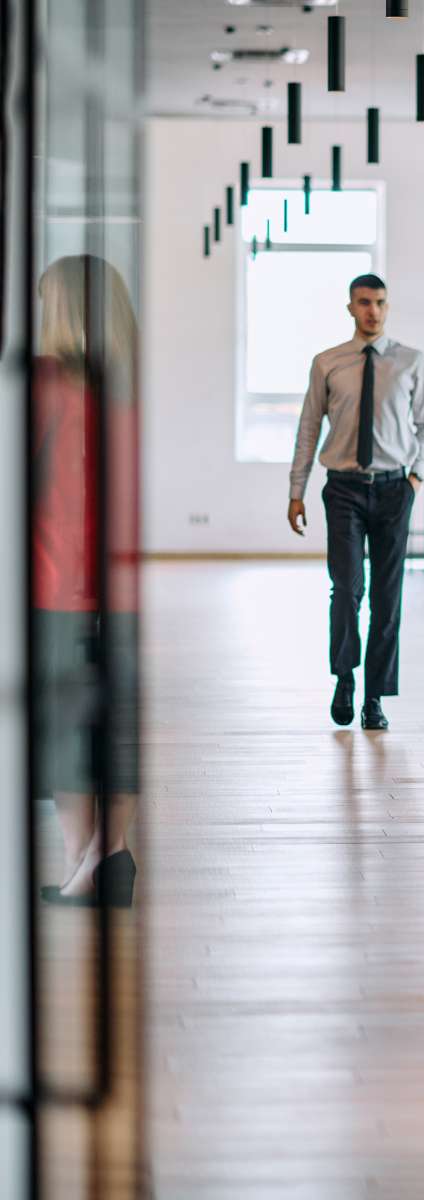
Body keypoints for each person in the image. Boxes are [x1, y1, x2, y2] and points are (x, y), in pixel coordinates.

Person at [34, 255, 142, 906]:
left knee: (62, 724)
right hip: (123, 582)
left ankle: (84, 857)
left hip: (56, 583)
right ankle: (108, 854)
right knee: (115, 721)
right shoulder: (128, 383)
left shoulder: (47, 381)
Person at [286, 273, 424, 731]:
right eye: (364, 302)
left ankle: (375, 697)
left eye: (380, 303)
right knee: (348, 590)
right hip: (345, 489)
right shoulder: (327, 363)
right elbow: (309, 429)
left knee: (388, 598)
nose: (372, 310)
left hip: (395, 489)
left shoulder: (411, 361)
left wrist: (416, 477)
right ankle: (344, 677)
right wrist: (296, 490)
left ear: (388, 307)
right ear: (350, 307)